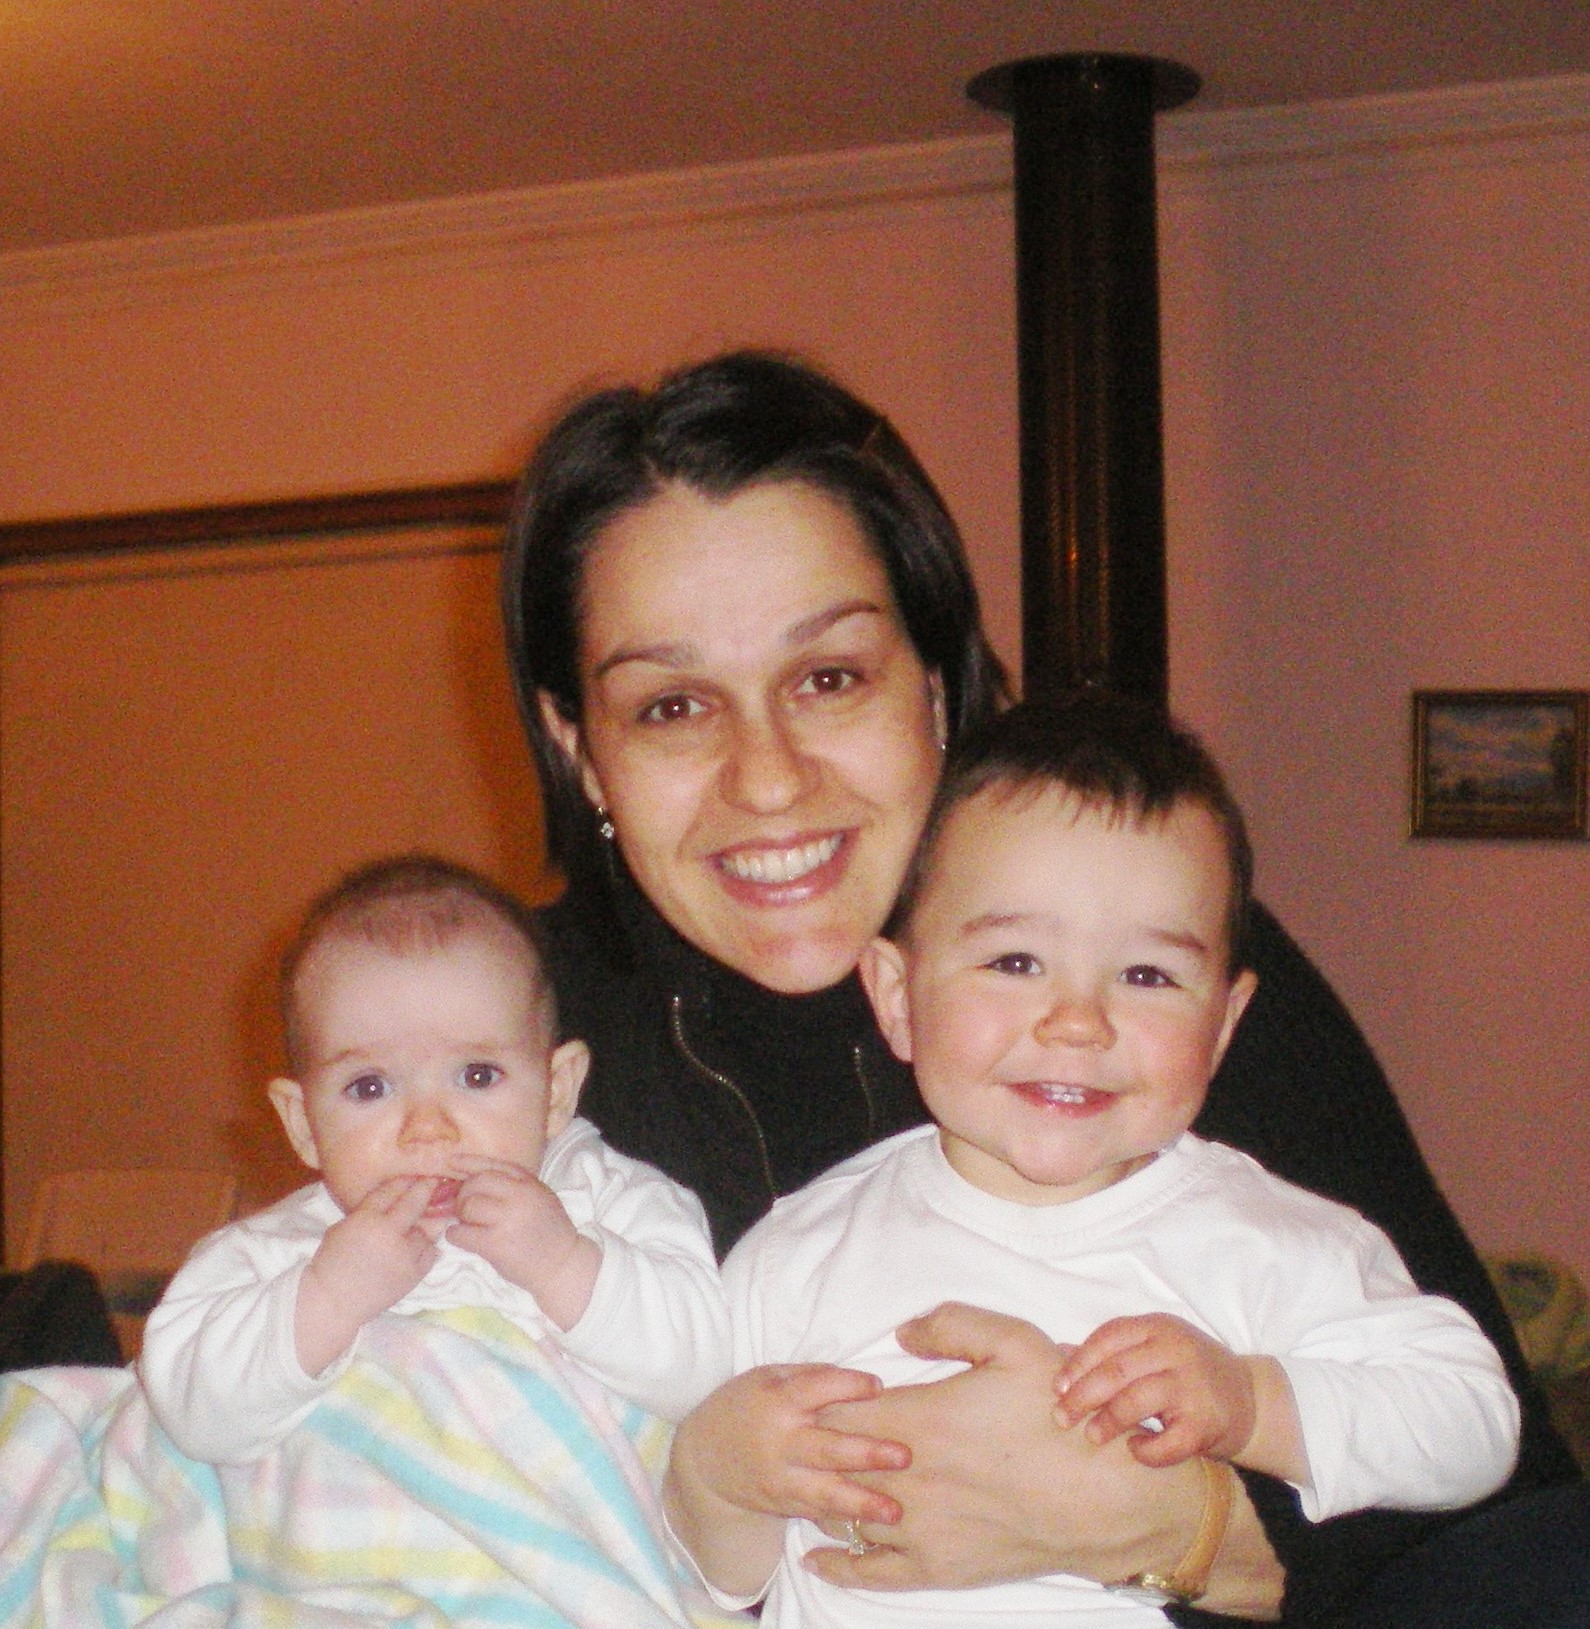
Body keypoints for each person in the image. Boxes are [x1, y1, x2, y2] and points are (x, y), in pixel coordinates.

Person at [502, 349, 1587, 1628]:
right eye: (674, 705)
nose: (771, 777)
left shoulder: (1149, 970)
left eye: (830, 677)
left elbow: (1494, 1494)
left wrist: (1165, 1526)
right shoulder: (498, 1043)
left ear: (939, 687)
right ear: (580, 750)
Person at [664, 696, 1522, 1627]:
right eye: (1015, 961)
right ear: (899, 995)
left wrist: (1254, 1401)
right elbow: (715, 1585)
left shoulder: (1273, 1241)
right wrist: (719, 1477)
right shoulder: (800, 1247)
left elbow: (1476, 1424)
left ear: (1225, 1025)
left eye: (1147, 975)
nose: (1078, 1020)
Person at [140, 854, 730, 1464]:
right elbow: (190, 1417)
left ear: (556, 1091)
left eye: (477, 1075)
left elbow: (703, 1375)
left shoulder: (611, 1202)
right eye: (369, 1087)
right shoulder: (272, 1254)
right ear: (303, 1124)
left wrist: (561, 1262)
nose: (428, 1129)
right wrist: (329, 1295)